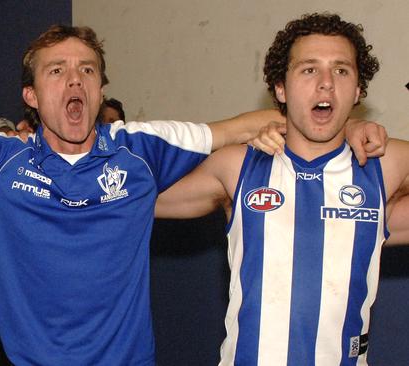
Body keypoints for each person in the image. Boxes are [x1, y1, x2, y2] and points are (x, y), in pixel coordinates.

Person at [0, 24, 387, 366]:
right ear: (30, 98)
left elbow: (243, 127)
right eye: (55, 70)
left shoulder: (139, 147)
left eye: (86, 69)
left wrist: (350, 127)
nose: (74, 80)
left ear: (102, 85)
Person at [155, 13, 409, 365]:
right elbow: (132, 197)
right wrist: (244, 125)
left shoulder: (382, 163)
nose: (325, 84)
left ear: (358, 90)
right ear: (280, 88)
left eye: (341, 71)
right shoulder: (239, 166)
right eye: (309, 70)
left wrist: (351, 126)